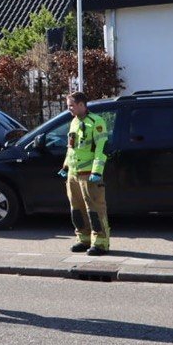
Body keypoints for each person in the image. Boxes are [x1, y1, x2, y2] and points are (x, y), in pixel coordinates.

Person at [59, 91, 110, 255]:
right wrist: (66, 167)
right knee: (77, 209)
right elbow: (71, 148)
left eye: (71, 106)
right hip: (74, 174)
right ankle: (84, 239)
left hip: (89, 174)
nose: (69, 109)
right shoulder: (74, 122)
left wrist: (97, 171)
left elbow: (101, 149)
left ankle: (100, 243)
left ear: (81, 105)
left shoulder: (96, 122)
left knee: (95, 210)